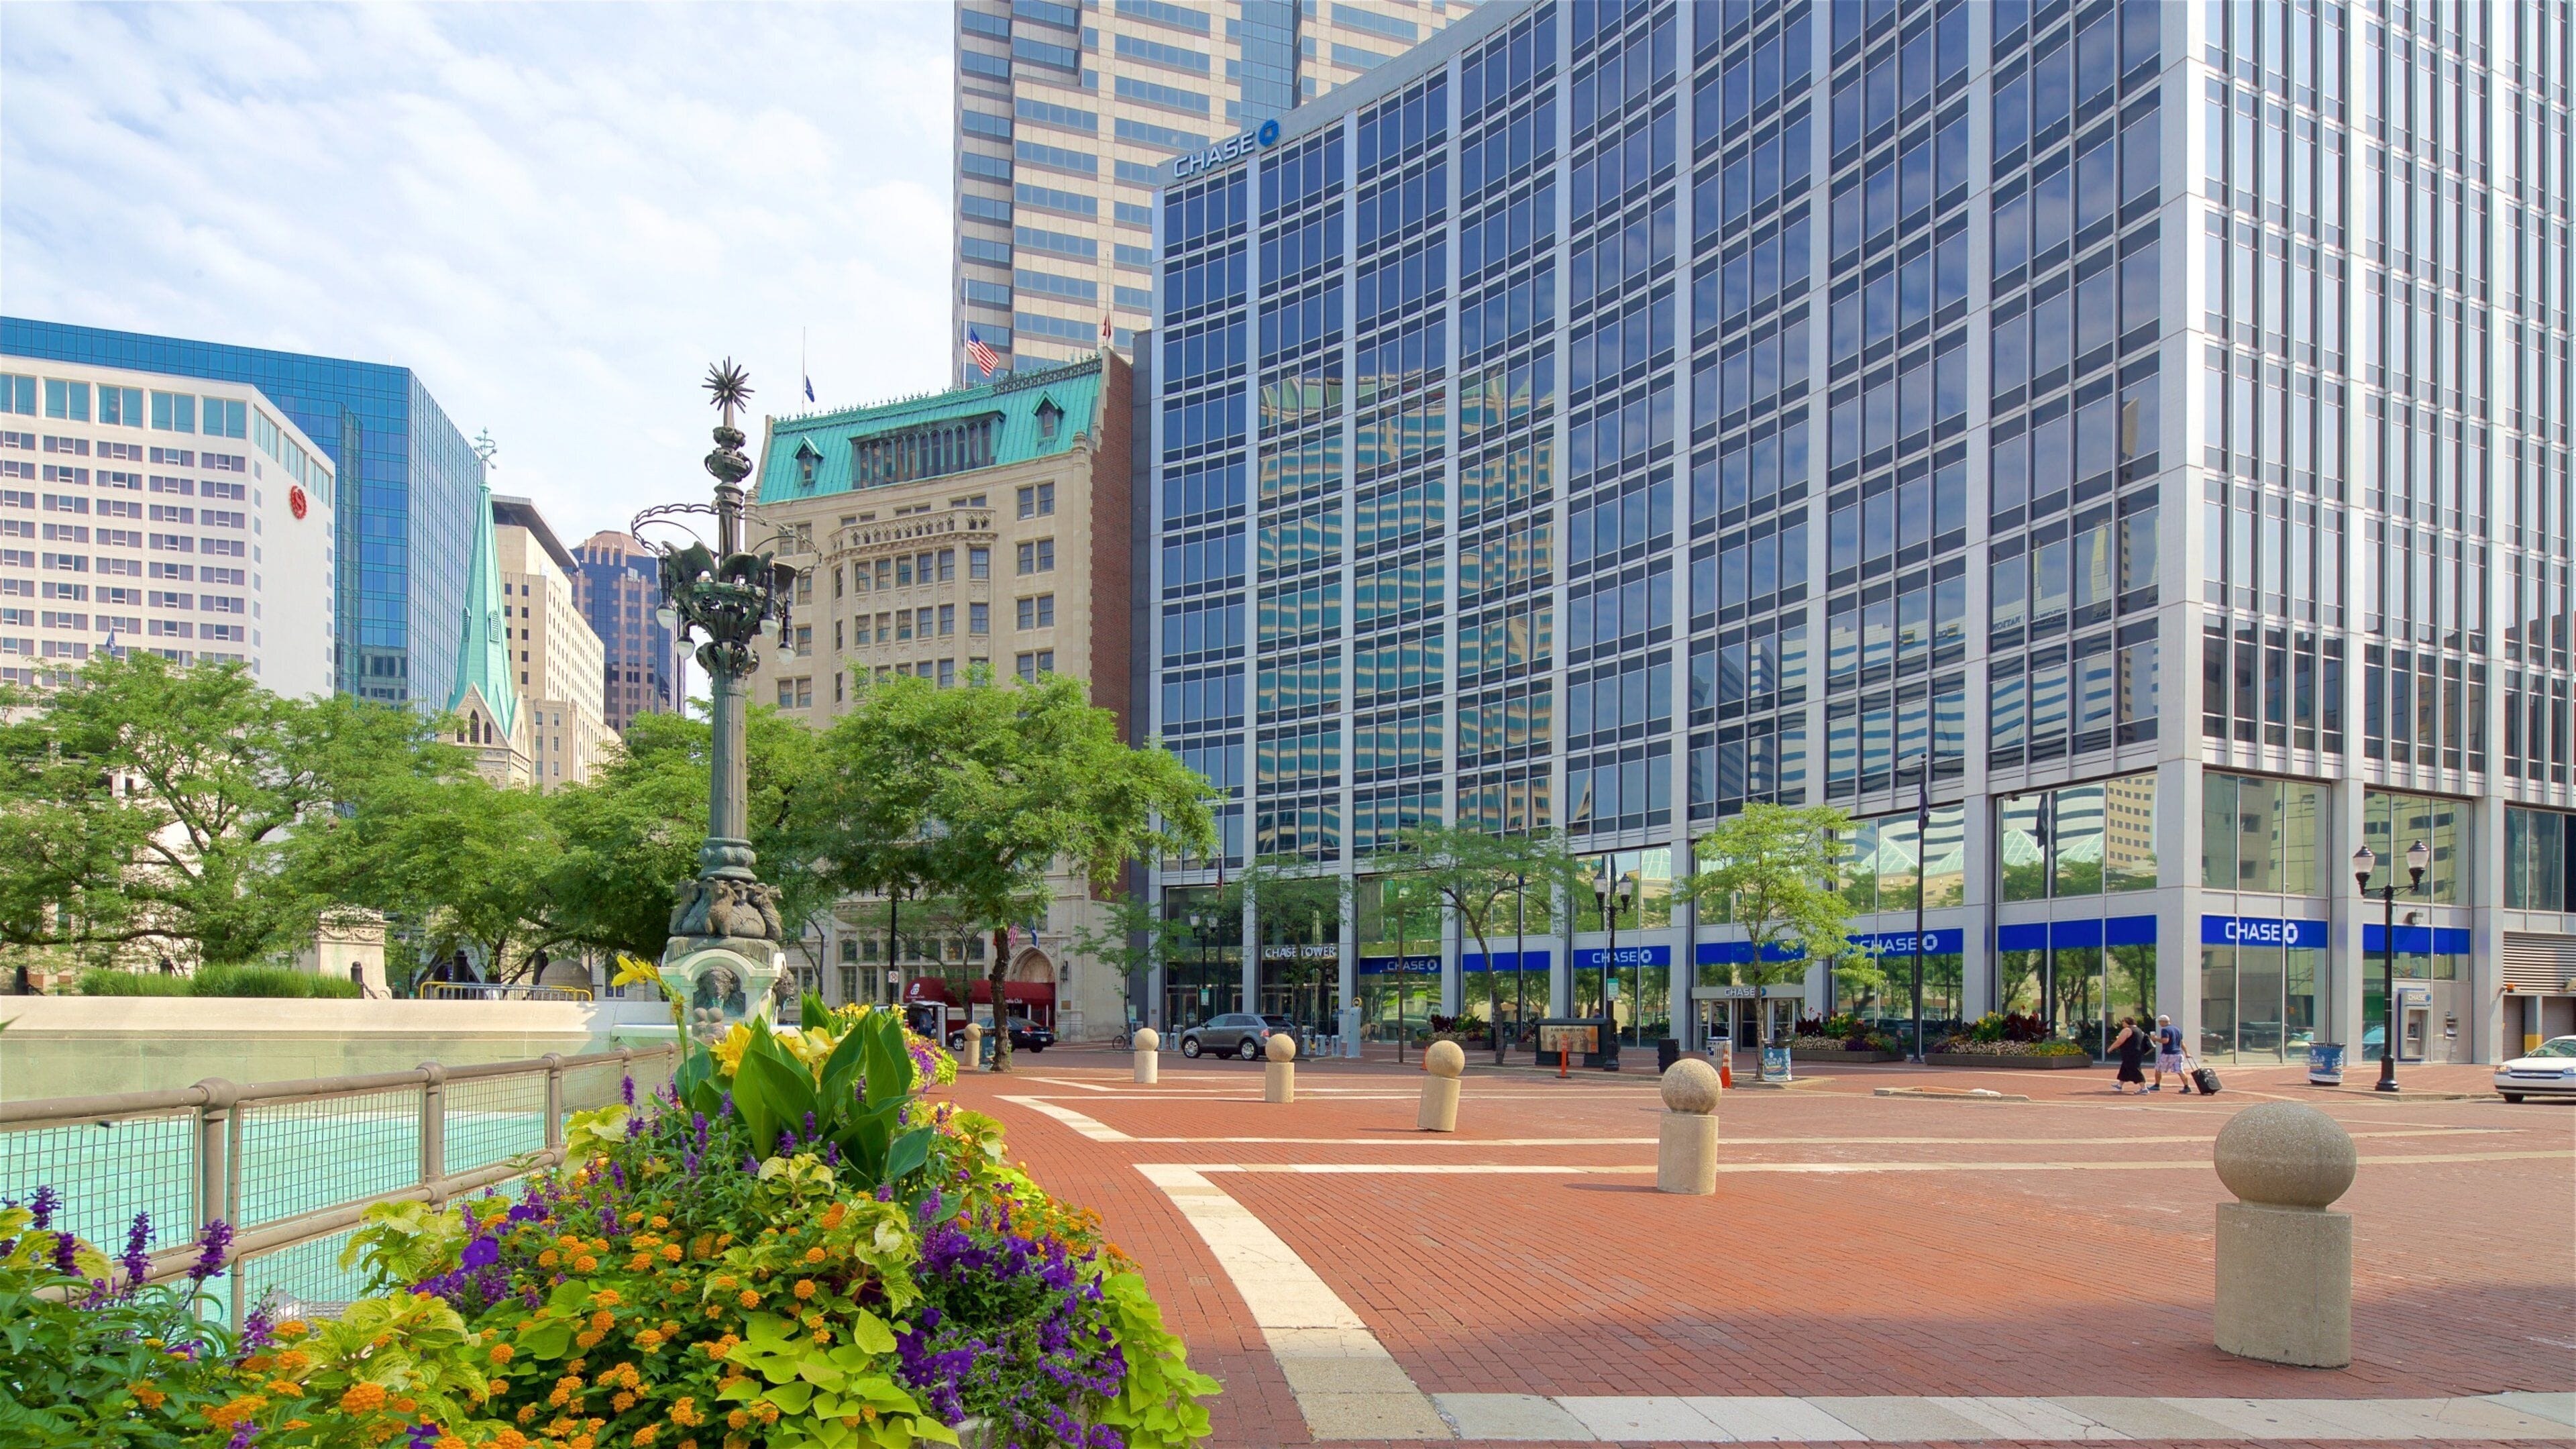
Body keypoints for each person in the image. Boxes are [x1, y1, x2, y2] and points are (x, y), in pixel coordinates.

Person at [2151, 1013, 2191, 1093]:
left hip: (2168, 1053)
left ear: (2163, 1022)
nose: (2159, 1024)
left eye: (2160, 1022)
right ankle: (2187, 1086)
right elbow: (2182, 1042)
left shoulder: (2165, 1030)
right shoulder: (2177, 1029)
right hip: (2178, 1053)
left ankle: (2157, 1085)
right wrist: (2187, 1053)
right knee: (2180, 1070)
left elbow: (2165, 1041)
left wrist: (2155, 1039)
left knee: (2159, 1069)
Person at [2108, 1016, 2149, 1094]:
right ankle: (2119, 1085)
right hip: (2137, 1053)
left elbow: (2120, 1041)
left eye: (2123, 1021)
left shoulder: (2127, 1030)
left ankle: (2144, 1088)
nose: (2122, 1023)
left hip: (2130, 1053)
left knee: (2135, 1069)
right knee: (2125, 1068)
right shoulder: (2139, 1030)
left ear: (2127, 1022)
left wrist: (2111, 1048)